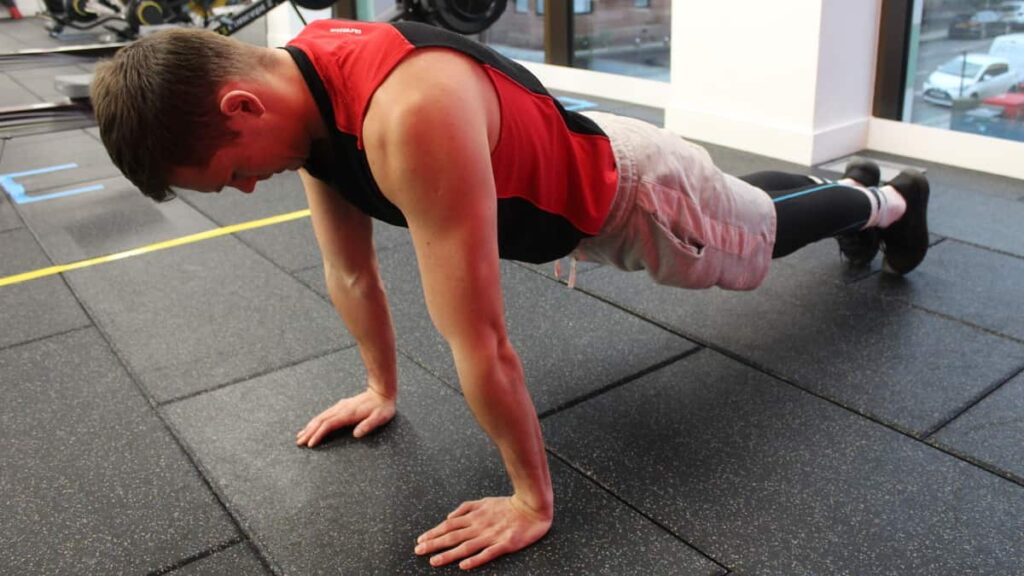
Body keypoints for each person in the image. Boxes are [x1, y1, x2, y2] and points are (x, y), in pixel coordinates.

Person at [90, 20, 930, 570]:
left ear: (241, 105)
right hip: (605, 171)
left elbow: (482, 338)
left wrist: (531, 499)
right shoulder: (303, 97)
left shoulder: (405, 113)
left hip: (635, 202)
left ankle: (888, 196)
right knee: (745, 208)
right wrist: (381, 388)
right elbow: (349, 270)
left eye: (233, 172)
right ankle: (843, 186)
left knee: (754, 244)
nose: (245, 189)